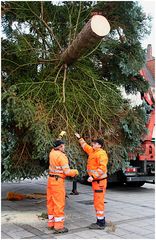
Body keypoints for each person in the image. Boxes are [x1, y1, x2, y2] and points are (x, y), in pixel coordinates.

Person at [75, 133, 108, 229]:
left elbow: (102, 168)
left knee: (99, 202)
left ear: (99, 145)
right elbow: (85, 146)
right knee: (97, 201)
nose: (93, 144)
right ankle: (101, 221)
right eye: (93, 143)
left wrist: (93, 176)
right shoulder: (93, 151)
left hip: (99, 182)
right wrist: (80, 138)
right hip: (96, 182)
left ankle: (100, 223)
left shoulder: (101, 154)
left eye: (95, 143)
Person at [47, 139, 79, 234]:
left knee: (51, 202)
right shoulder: (62, 157)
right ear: (60, 146)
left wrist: (60, 135)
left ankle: (51, 223)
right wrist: (75, 172)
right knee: (59, 203)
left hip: (51, 180)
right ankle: (59, 226)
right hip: (58, 182)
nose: (64, 147)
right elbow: (67, 172)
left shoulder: (52, 153)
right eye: (63, 146)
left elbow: (55, 144)